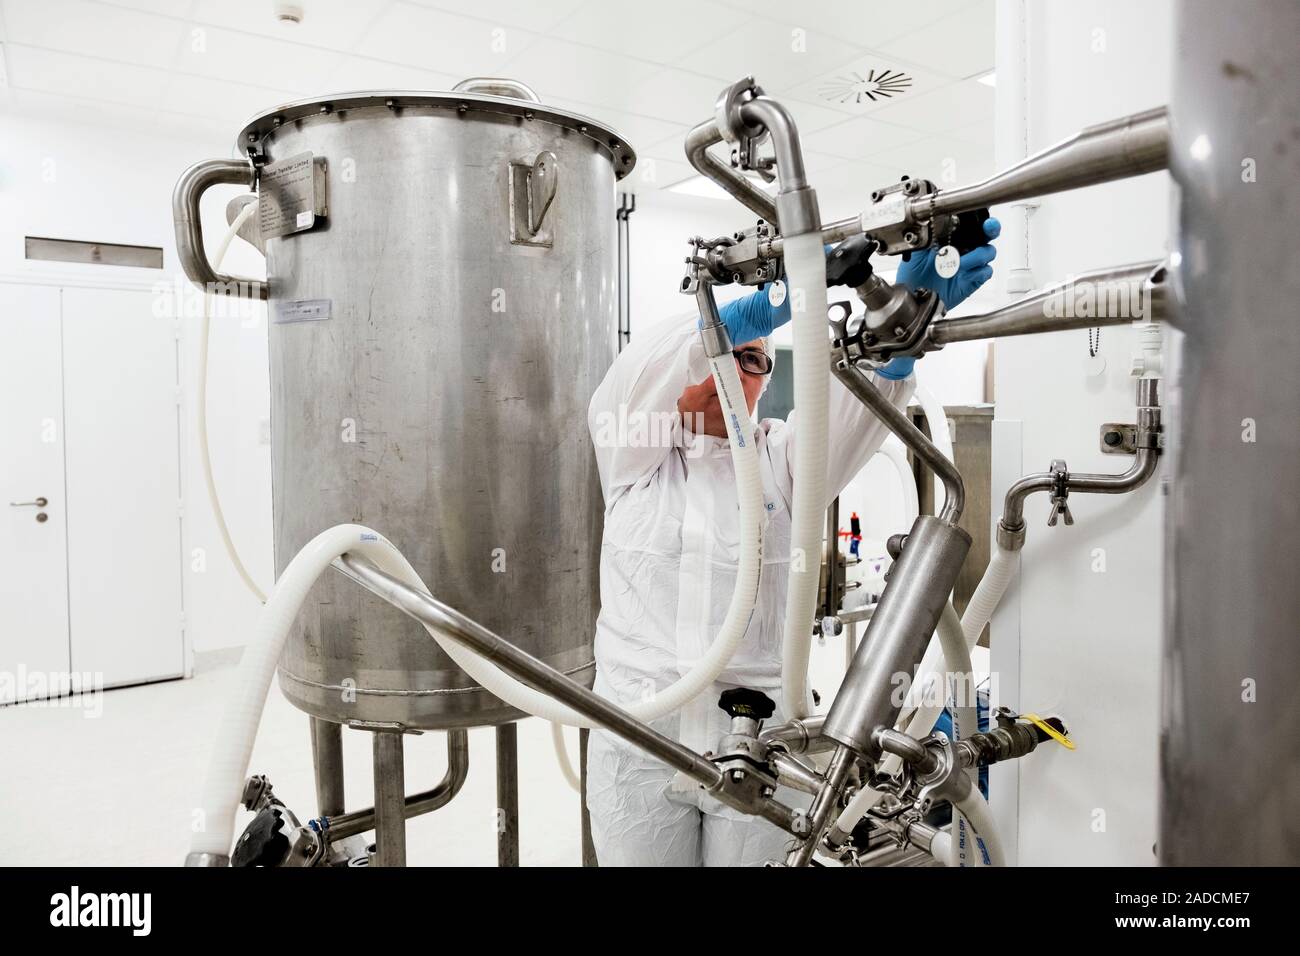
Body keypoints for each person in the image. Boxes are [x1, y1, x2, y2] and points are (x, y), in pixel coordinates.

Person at [583, 222, 1000, 866]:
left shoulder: (780, 459)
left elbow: (854, 412)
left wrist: (899, 331)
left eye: (757, 361)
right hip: (639, 730)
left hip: (761, 733)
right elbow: (637, 378)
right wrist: (730, 318)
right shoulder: (637, 459)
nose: (741, 372)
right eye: (727, 353)